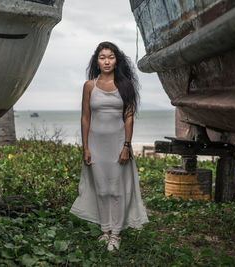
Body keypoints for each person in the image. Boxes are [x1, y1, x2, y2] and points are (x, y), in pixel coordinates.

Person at [70, 41, 149, 252]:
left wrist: (126, 146)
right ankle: (105, 231)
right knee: (102, 189)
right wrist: (85, 147)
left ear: (117, 60)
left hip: (118, 144)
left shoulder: (125, 86)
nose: (107, 61)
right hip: (96, 145)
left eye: (111, 57)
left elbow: (129, 119)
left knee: (117, 190)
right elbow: (85, 119)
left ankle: (116, 234)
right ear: (97, 61)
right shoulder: (89, 86)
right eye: (102, 57)